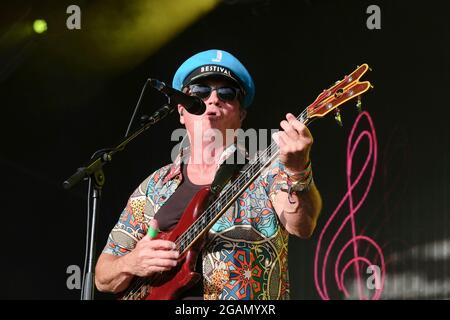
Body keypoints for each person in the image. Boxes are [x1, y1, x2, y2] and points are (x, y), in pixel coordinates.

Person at [95, 49, 322, 300]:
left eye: (226, 94)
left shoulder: (268, 173)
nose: (213, 99)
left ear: (241, 115)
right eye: (201, 92)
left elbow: (302, 225)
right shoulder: (154, 187)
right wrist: (131, 262)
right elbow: (103, 277)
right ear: (181, 111)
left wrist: (298, 169)